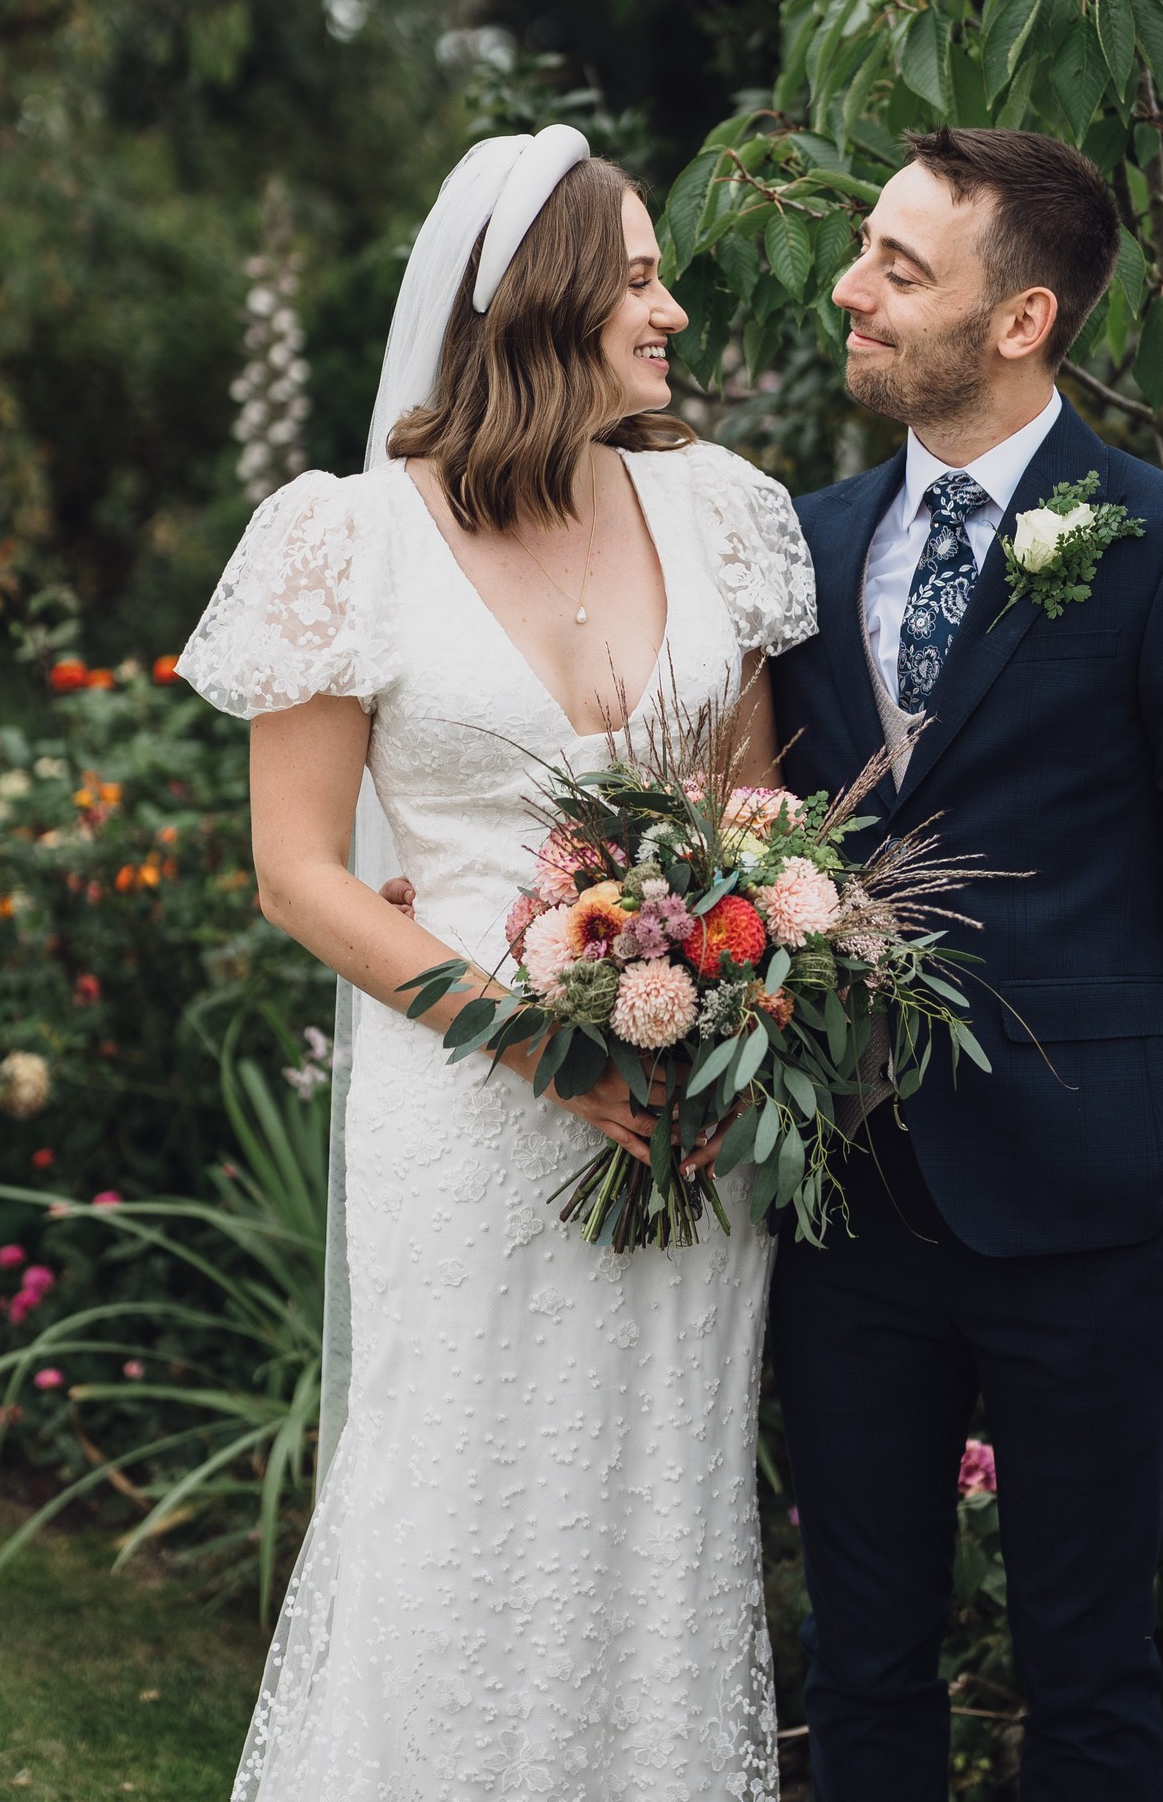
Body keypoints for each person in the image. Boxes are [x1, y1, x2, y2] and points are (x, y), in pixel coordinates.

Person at [176, 126, 816, 1802]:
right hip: (466, 1111)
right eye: (642, 279)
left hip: (681, 1104)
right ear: (543, 307)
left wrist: (732, 988)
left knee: (657, 1511)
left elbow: (751, 807)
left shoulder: (724, 511)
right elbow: (300, 870)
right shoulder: (345, 540)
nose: (671, 313)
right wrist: (540, 1043)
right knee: (453, 1510)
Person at [767, 125, 1163, 1802]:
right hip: (848, 1200)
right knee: (860, 1665)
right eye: (865, 249)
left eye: (901, 270)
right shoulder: (798, 541)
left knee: (1089, 1675)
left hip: (1091, 1206)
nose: (849, 290)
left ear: (1022, 321)